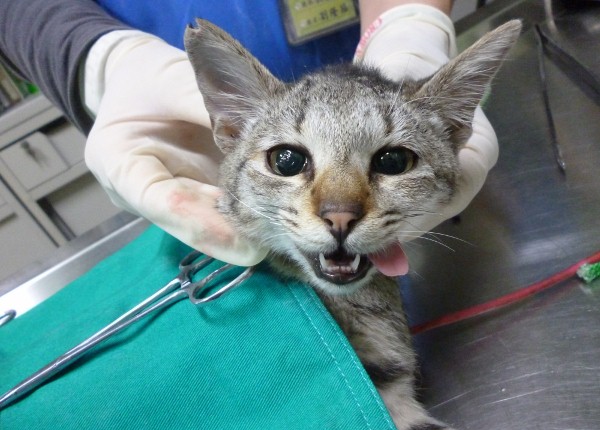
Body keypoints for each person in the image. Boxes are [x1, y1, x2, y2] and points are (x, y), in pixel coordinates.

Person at [0, 0, 498, 268]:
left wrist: (409, 19)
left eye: (392, 162)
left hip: (362, 56)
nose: (340, 212)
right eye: (288, 160)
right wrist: (102, 61)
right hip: (190, 133)